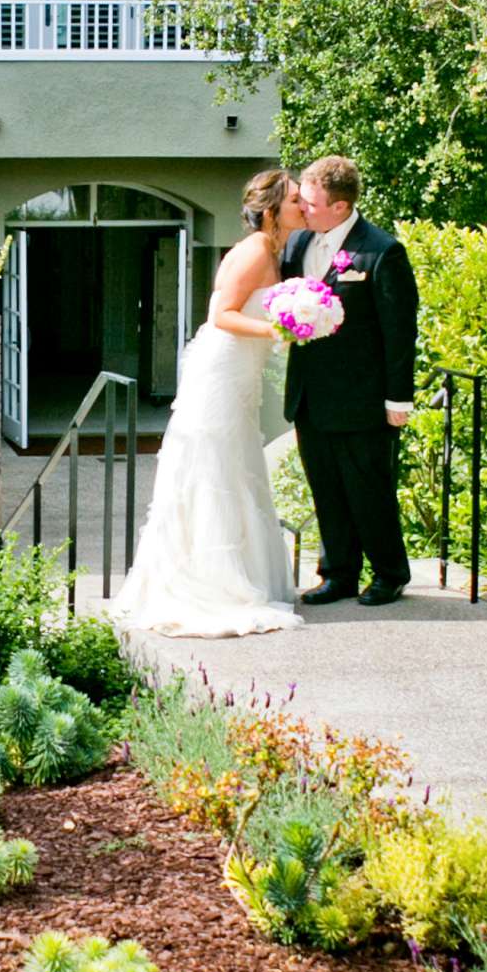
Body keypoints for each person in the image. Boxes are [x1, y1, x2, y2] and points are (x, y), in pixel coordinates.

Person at [114, 168, 305, 637]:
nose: (304, 205)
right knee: (213, 469)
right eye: (296, 199)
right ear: (272, 209)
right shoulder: (255, 249)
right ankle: (210, 585)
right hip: (221, 372)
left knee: (237, 465)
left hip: (242, 375)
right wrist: (280, 329)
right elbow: (220, 315)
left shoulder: (276, 249)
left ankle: (241, 574)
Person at [283, 155, 419, 608]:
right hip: (310, 395)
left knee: (369, 489)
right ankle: (338, 572)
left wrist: (398, 398)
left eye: (311, 202)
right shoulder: (298, 244)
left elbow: (400, 332)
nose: (303, 208)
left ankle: (389, 573)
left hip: (361, 398)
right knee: (326, 487)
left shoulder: (381, 251)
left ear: (340, 207)